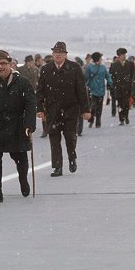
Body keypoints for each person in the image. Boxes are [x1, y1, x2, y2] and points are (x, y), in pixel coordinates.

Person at [0, 50, 36, 204]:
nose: (1, 67)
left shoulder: (22, 82)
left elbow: (30, 104)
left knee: (20, 157)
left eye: (4, 64)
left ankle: (23, 180)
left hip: (17, 125)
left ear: (11, 65)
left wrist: (29, 124)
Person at [36, 41, 90, 177]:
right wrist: (40, 108)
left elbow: (81, 90)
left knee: (70, 136)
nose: (58, 55)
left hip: (71, 109)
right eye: (55, 52)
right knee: (54, 138)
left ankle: (72, 158)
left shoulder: (75, 67)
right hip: (52, 109)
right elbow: (40, 91)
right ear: (53, 54)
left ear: (65, 55)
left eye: (60, 53)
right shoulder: (46, 69)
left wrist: (85, 110)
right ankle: (57, 167)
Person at [84, 52, 112, 128]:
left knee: (99, 107)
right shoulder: (90, 67)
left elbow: (107, 76)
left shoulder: (103, 67)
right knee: (93, 107)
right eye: (100, 58)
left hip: (101, 90)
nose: (101, 59)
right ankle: (91, 120)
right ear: (97, 59)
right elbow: (86, 77)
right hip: (92, 90)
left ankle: (98, 121)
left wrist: (110, 82)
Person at [109, 47, 134, 125]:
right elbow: (112, 77)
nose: (124, 56)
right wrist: (115, 84)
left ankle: (126, 116)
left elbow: (133, 76)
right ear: (119, 55)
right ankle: (121, 119)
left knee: (126, 103)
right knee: (119, 104)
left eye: (125, 54)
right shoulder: (114, 65)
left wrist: (130, 83)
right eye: (123, 54)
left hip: (127, 87)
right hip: (118, 88)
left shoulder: (130, 64)